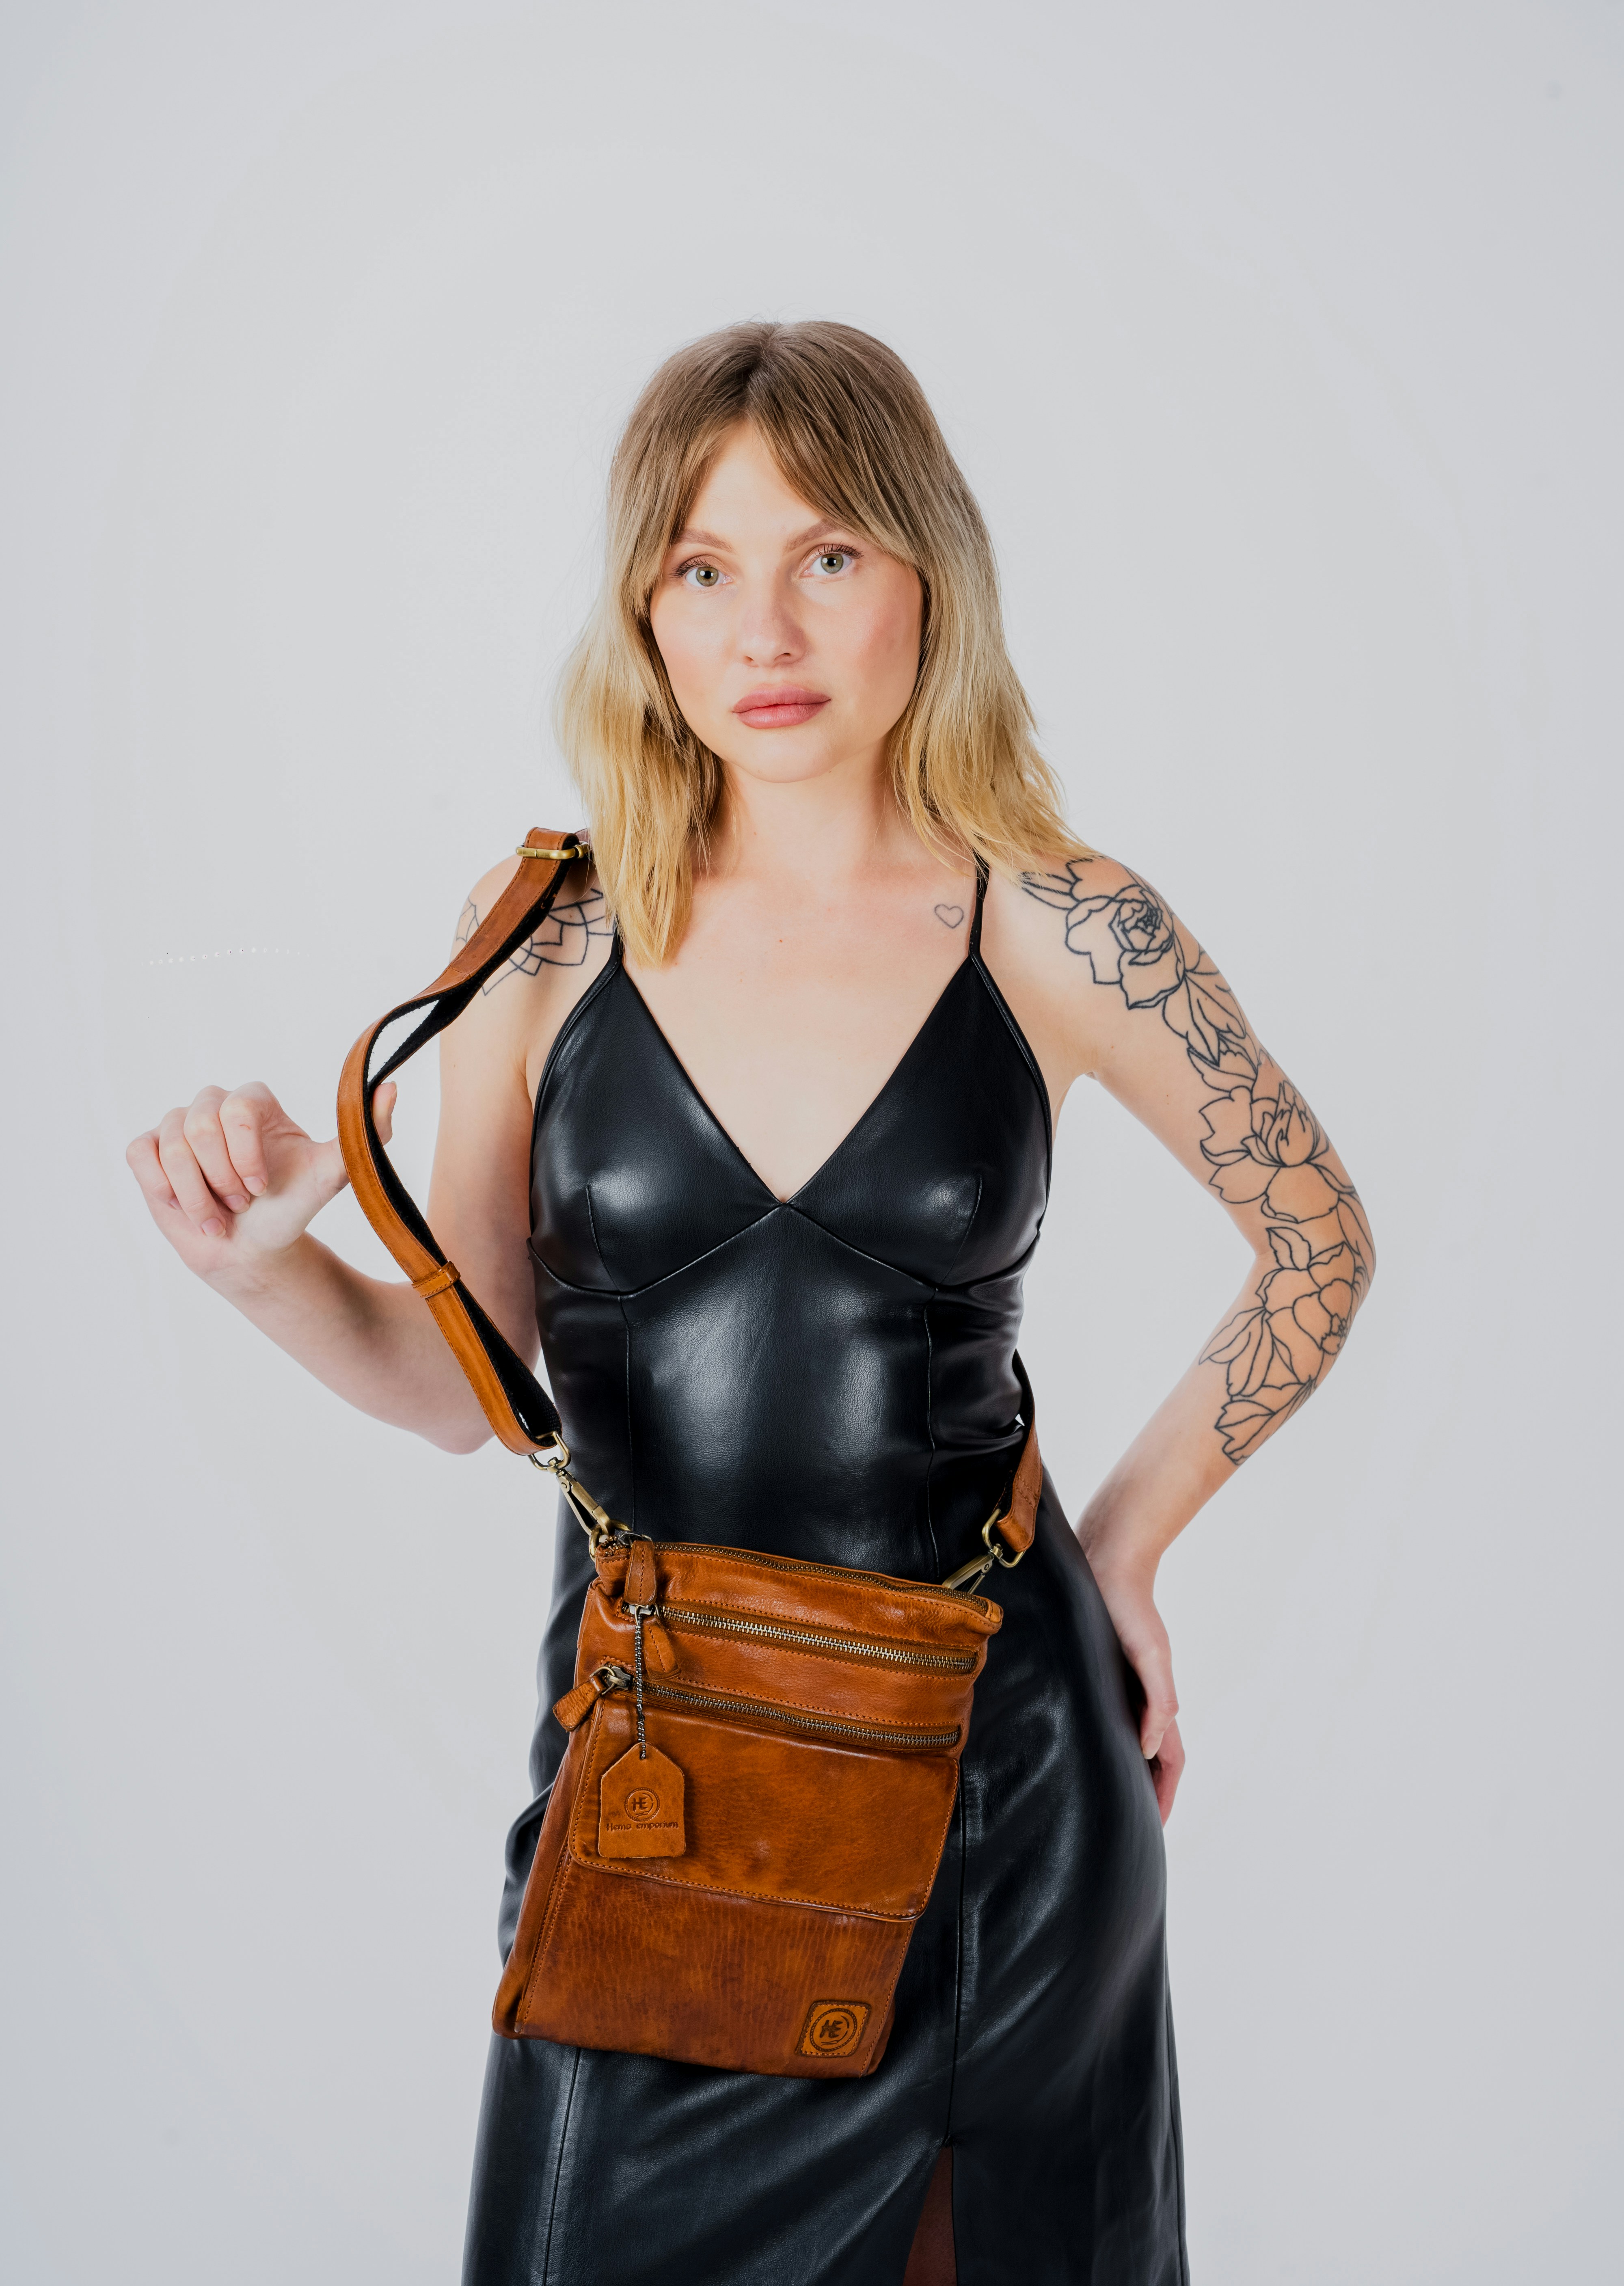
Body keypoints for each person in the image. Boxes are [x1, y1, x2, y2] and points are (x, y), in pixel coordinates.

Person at [126, 320, 1373, 2286]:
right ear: (644, 609)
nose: (762, 630)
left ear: (927, 574)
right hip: (663, 1801)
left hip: (996, 1777)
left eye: (827, 556)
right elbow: (465, 1387)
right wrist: (263, 1265)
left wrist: (1121, 1547)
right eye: (701, 567)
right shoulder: (547, 936)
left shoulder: (1062, 921)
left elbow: (1316, 1239)